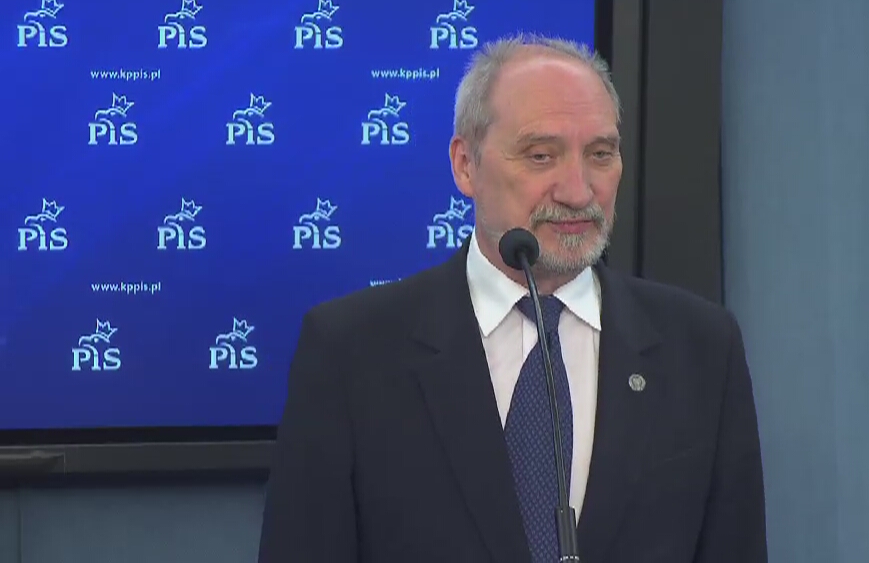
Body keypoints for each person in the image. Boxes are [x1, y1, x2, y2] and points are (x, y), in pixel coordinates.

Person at [257, 33, 767, 563]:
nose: (578, 191)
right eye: (541, 156)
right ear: (466, 165)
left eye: (600, 154)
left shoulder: (702, 349)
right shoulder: (352, 352)